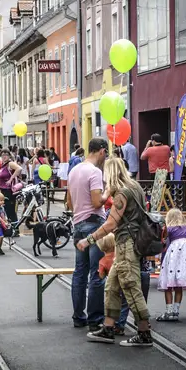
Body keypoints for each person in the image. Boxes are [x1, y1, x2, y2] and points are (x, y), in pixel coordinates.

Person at [77, 157, 153, 347]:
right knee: (111, 287)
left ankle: (144, 333)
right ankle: (108, 328)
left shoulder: (121, 194)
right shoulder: (135, 187)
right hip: (130, 243)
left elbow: (111, 224)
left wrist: (88, 240)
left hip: (126, 245)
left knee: (131, 288)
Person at [67, 137, 110, 332]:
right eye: (105, 154)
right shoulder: (94, 172)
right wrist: (108, 192)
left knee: (79, 272)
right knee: (96, 272)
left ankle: (78, 316)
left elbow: (69, 203)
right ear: (101, 151)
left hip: (78, 225)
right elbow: (96, 202)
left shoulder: (74, 170)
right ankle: (95, 318)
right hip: (94, 224)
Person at [156, 209, 186, 321]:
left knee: (168, 285)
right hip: (185, 258)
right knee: (178, 286)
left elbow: (164, 242)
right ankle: (176, 311)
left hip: (173, 257)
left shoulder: (169, 229)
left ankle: (168, 311)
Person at [0, 149, 23, 223]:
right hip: (3, 190)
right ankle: (11, 227)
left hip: (9, 190)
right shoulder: (3, 165)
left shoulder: (10, 163)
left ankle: (15, 228)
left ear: (9, 156)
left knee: (10, 210)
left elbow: (19, 168)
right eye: (2, 155)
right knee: (7, 210)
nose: (4, 156)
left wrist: (11, 179)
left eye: (6, 155)